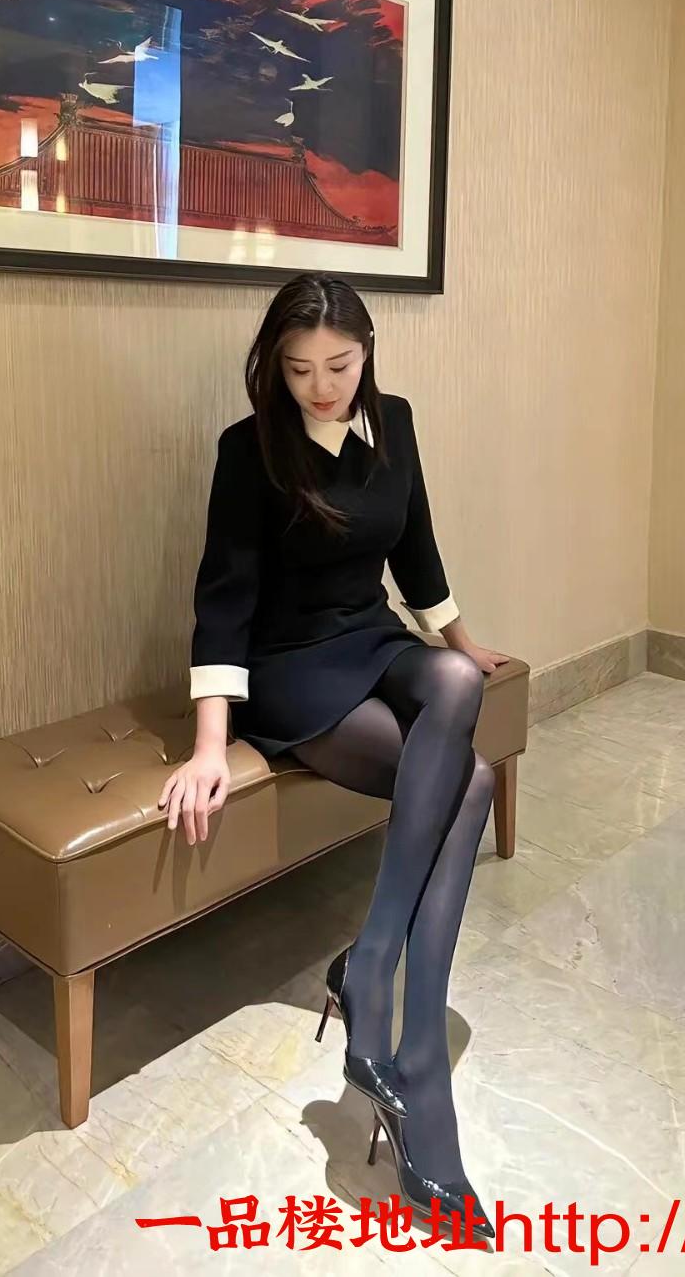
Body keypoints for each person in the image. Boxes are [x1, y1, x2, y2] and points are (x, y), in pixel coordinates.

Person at [159, 270, 509, 1242]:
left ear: (367, 354)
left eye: (339, 366)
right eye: (299, 368)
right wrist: (210, 744)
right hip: (290, 667)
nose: (321, 386)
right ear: (274, 366)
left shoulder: (394, 422)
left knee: (459, 683)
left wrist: (461, 639)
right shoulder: (249, 452)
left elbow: (418, 553)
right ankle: (415, 1052)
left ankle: (374, 964)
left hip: (372, 636)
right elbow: (223, 600)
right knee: (474, 780)